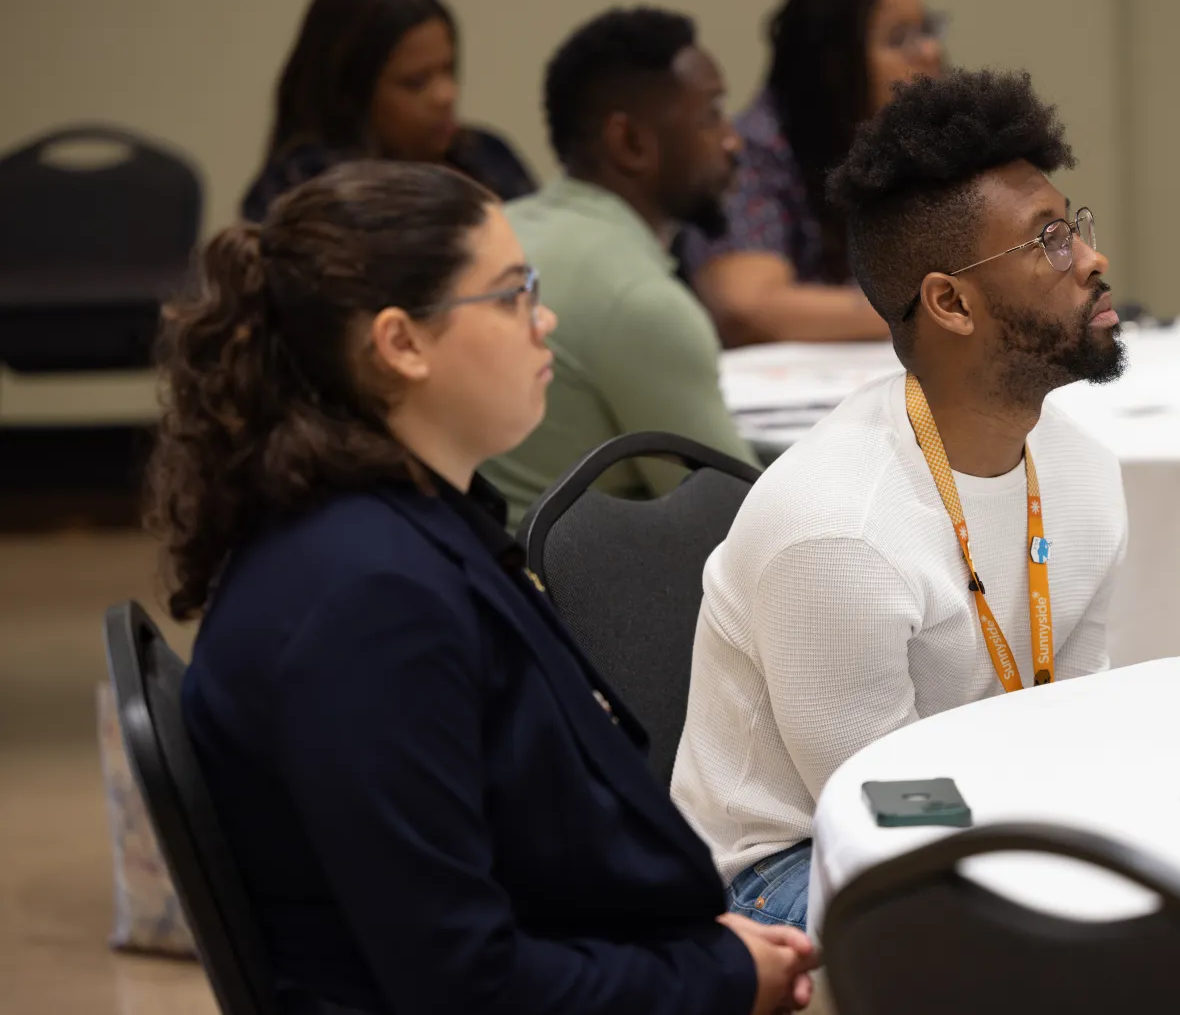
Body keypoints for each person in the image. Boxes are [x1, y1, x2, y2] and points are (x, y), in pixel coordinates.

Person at [148, 161, 816, 1015]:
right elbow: (465, 985)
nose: (546, 320)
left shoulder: (403, 518)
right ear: (401, 343)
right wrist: (720, 979)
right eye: (510, 295)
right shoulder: (369, 601)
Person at [671, 69, 1129, 930]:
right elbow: (887, 820)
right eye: (1049, 241)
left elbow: (1076, 721)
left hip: (983, 820)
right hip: (787, 869)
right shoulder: (839, 528)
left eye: (1077, 226)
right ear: (950, 302)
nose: (1093, 258)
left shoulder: (1083, 472)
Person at [483, 8, 756, 518]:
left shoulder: (497, 228)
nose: (732, 140)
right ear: (629, 143)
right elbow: (742, 530)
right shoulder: (637, 300)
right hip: (568, 594)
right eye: (711, 115)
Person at [679, 0, 944, 346]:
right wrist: (930, 310)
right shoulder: (753, 148)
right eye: (899, 38)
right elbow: (746, 306)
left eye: (927, 30)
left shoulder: (916, 143)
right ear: (833, 64)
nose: (930, 51)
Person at [241, 0, 536, 221]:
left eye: (449, 69)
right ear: (350, 94)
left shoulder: (487, 155)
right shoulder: (304, 195)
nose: (446, 94)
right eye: (415, 82)